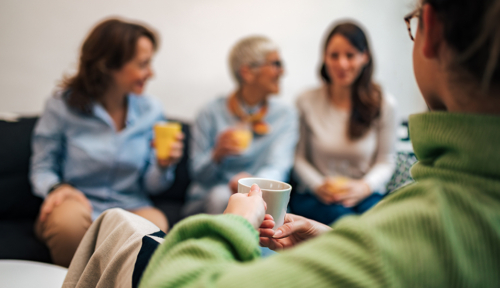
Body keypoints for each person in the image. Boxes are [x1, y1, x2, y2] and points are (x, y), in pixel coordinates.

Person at [138, 0, 500, 286]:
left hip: (284, 203)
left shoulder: (417, 226)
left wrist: (236, 221)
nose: (283, 71)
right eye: (276, 63)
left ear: (431, 29)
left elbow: (173, 281)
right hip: (301, 199)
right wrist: (326, 237)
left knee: (123, 231)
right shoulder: (239, 110)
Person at [30, 18, 184, 267]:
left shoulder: (151, 110)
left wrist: (163, 164)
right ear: (108, 65)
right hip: (78, 204)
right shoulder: (62, 105)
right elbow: (42, 166)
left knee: (155, 223)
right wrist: (56, 188)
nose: (151, 73)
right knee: (67, 223)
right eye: (143, 64)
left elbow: (153, 186)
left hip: (130, 206)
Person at [291, 22, 397, 225]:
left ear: (365, 57)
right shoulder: (305, 101)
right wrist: (318, 185)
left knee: (381, 225)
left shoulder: (384, 104)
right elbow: (299, 159)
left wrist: (364, 187)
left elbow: (386, 161)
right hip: (315, 196)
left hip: (365, 194)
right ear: (324, 57)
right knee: (344, 222)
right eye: (334, 55)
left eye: (350, 55)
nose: (342, 64)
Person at [182, 36, 298, 216]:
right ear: (247, 72)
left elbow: (278, 166)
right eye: (276, 64)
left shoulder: (285, 116)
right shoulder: (210, 112)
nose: (283, 71)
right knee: (220, 197)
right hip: (210, 201)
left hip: (263, 196)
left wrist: (250, 185)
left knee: (277, 210)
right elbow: (197, 174)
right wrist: (216, 155)